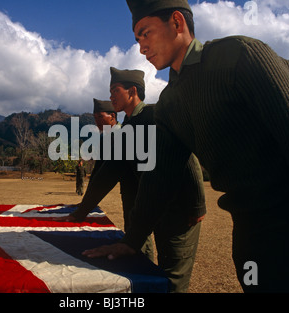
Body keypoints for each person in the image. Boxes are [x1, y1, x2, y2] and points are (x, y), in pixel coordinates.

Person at [83, 0, 289, 293]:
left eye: (146, 33)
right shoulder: (171, 102)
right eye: (137, 39)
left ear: (177, 22)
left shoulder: (239, 56)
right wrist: (131, 241)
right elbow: (160, 177)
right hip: (249, 237)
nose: (141, 47)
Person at [62, 67, 206, 292]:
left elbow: (188, 159)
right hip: (154, 206)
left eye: (115, 90)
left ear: (132, 91)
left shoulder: (154, 116)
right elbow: (107, 174)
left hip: (179, 209)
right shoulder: (128, 127)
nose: (111, 96)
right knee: (150, 271)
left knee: (173, 276)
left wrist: (197, 205)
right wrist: (80, 212)